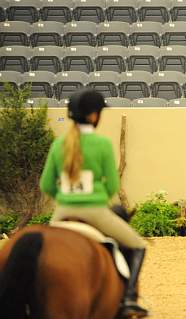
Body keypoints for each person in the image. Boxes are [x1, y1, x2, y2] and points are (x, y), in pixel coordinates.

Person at [40, 89, 148, 318]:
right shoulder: (101, 144)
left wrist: (65, 197)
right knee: (138, 244)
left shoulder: (59, 145)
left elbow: (46, 184)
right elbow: (112, 185)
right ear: (92, 116)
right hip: (95, 212)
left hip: (62, 213)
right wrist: (97, 197)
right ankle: (128, 298)